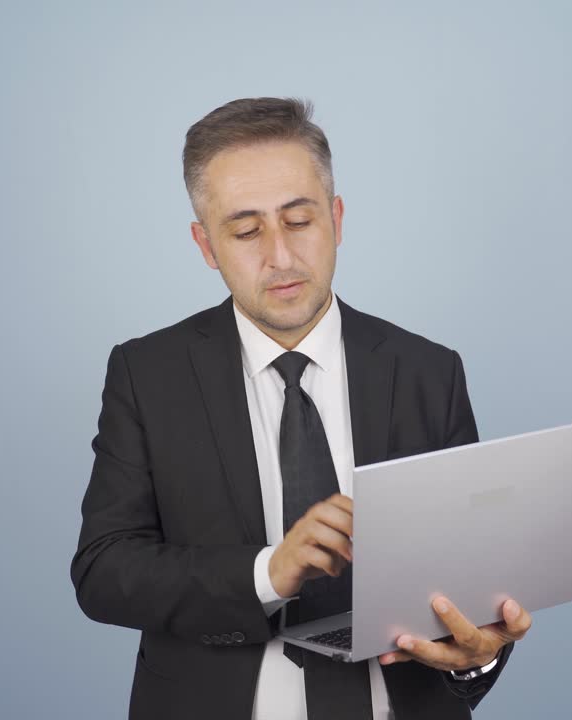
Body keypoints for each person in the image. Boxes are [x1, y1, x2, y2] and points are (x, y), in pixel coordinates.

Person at [71, 97, 533, 720]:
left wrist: (479, 652)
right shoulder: (146, 373)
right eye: (245, 231)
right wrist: (268, 572)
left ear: (337, 219)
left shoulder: (430, 371)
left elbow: (469, 587)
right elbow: (104, 569)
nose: (281, 258)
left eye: (299, 221)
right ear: (206, 244)